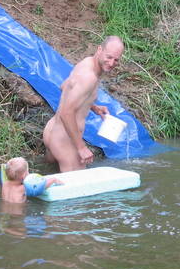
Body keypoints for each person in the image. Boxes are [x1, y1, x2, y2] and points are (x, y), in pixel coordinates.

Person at [43, 35, 124, 172]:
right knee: (76, 184)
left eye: (116, 60)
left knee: (49, 176)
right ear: (99, 49)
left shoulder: (86, 63)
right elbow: (66, 112)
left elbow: (65, 86)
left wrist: (93, 106)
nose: (111, 63)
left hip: (52, 130)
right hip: (64, 142)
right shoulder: (90, 78)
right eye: (109, 57)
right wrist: (81, 148)